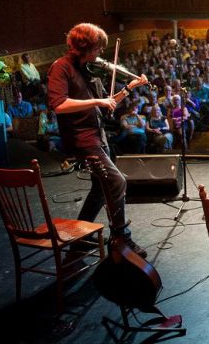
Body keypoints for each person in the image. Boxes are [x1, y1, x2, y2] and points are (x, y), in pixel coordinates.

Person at [47, 23, 149, 258]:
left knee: (99, 190)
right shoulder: (61, 68)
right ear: (84, 47)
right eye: (97, 49)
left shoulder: (86, 70)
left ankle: (80, 236)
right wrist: (97, 102)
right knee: (116, 182)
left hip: (97, 135)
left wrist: (129, 88)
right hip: (83, 139)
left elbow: (106, 107)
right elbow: (59, 105)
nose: (100, 54)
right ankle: (122, 237)